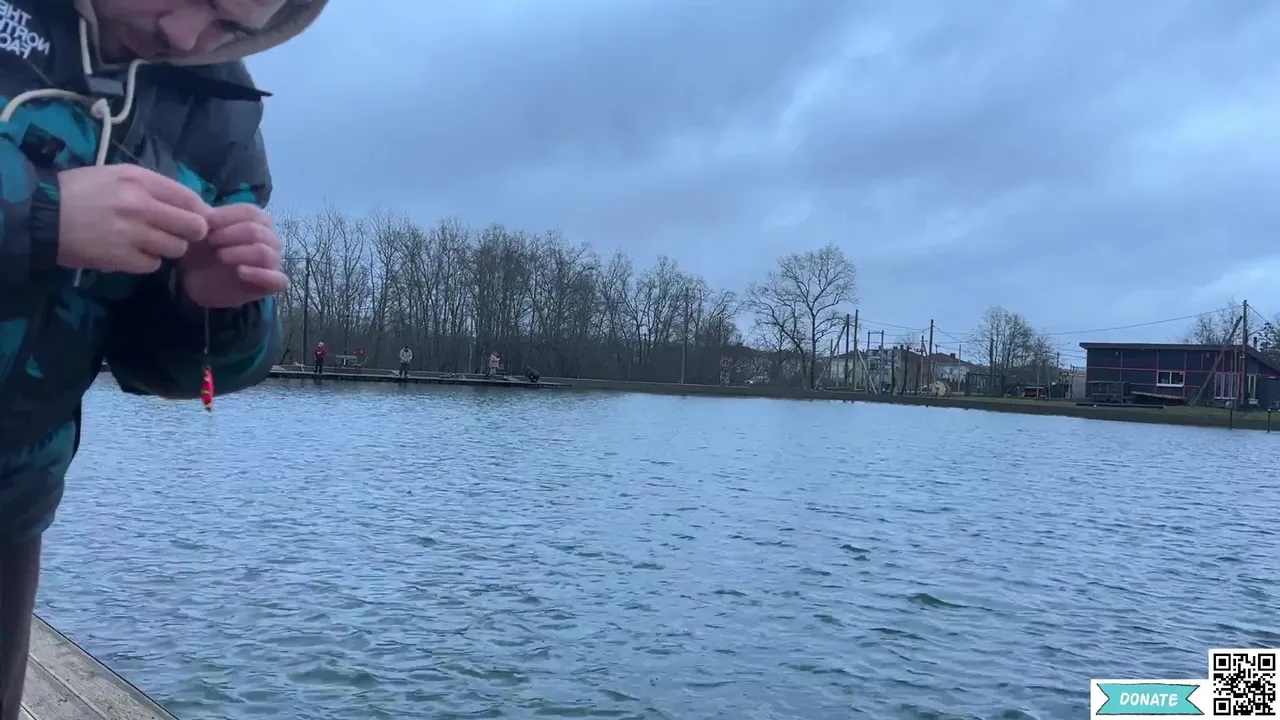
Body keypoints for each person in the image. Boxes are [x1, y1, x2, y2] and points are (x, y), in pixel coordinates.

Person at [0, 1, 328, 717]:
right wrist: (40, 216)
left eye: (230, 27)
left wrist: (205, 306)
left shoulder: (220, 109)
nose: (185, 36)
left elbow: (160, 366)